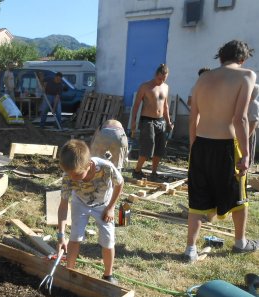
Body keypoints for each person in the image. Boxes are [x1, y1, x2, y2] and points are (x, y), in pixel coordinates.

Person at [185, 39, 259, 262]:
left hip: (201, 144)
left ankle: (190, 249)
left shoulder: (203, 79)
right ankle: (240, 242)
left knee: (198, 199)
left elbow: (193, 117)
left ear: (220, 57)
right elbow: (241, 118)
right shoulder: (247, 75)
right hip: (227, 145)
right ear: (243, 58)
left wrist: (193, 148)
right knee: (238, 197)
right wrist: (246, 153)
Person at [56, 139, 124, 284]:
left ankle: (108, 275)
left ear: (88, 165)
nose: (73, 179)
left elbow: (120, 184)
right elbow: (63, 206)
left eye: (77, 176)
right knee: (75, 237)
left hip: (103, 205)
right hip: (80, 202)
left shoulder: (106, 167)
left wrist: (111, 208)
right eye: (70, 175)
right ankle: (70, 271)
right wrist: (61, 235)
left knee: (108, 240)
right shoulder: (68, 176)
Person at [130, 64, 174, 181]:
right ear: (156, 75)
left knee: (160, 148)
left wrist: (168, 122)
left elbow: (165, 106)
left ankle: (153, 173)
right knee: (148, 145)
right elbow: (136, 105)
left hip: (161, 121)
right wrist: (133, 121)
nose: (161, 81)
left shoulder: (165, 87)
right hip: (147, 120)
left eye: (164, 79)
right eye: (160, 78)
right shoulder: (145, 86)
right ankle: (137, 170)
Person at [248, 83, 259, 170]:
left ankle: (248, 168)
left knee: (249, 149)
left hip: (249, 131)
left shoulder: (254, 104)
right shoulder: (245, 102)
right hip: (242, 131)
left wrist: (248, 134)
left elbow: (254, 121)